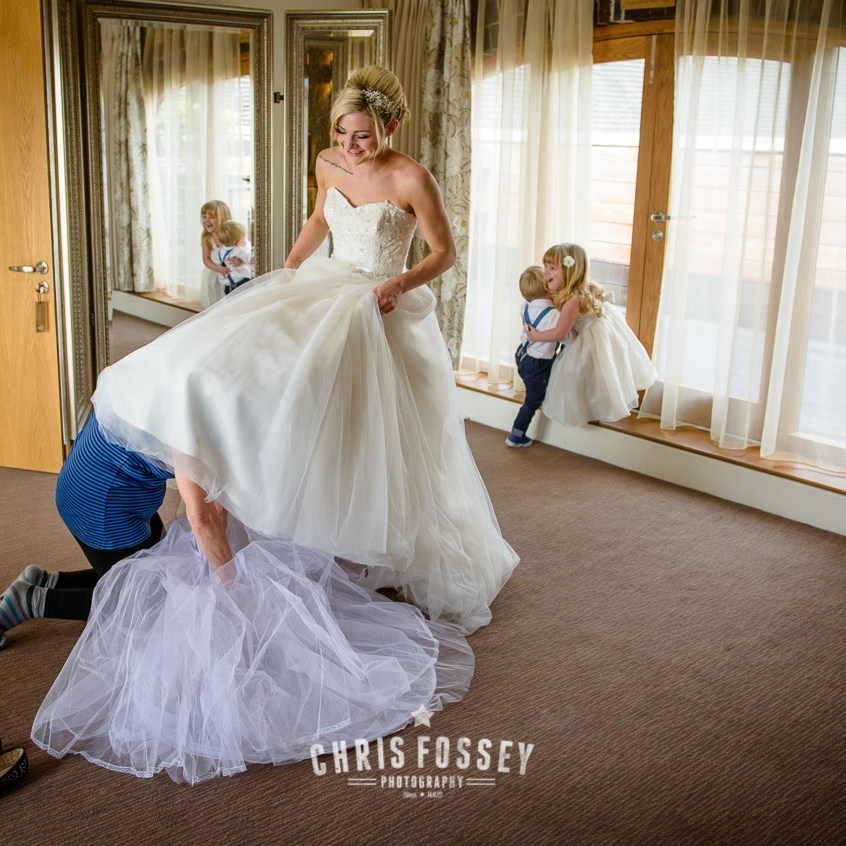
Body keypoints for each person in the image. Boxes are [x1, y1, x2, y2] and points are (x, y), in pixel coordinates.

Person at [31, 66, 514, 783]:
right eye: (341, 135)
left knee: (376, 433)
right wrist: (290, 267)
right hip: (323, 287)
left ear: (390, 127)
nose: (349, 149)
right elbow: (321, 219)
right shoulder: (327, 163)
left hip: (376, 301)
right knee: (280, 395)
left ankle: (369, 541)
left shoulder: (412, 177)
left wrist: (395, 284)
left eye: (363, 136)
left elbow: (445, 252)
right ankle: (304, 522)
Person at [0, 414, 231, 649]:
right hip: (99, 501)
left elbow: (213, 496)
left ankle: (48, 581)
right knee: (148, 607)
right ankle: (30, 601)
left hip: (110, 480)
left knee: (157, 568)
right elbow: (202, 519)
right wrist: (232, 585)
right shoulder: (188, 423)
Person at [526, 243, 655, 427]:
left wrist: (536, 336)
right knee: (593, 372)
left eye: (552, 268)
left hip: (592, 335)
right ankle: (591, 406)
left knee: (580, 371)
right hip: (596, 328)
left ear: (569, 271)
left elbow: (560, 332)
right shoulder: (571, 291)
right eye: (545, 266)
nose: (545, 272)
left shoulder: (573, 299)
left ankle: (592, 407)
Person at [506, 266, 562, 448]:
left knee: (533, 390)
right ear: (548, 288)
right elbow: (564, 336)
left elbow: (525, 323)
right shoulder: (555, 315)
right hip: (538, 363)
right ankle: (516, 436)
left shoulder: (525, 306)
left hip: (522, 355)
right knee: (532, 401)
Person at [199, 200, 231, 308]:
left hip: (229, 273)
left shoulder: (231, 235)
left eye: (211, 217)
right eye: (204, 217)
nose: (207, 220)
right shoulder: (207, 238)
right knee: (214, 299)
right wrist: (218, 268)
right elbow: (206, 259)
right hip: (214, 273)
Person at [211, 220, 254, 295]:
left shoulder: (217, 252)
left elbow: (217, 264)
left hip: (228, 286)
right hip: (243, 282)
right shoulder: (239, 251)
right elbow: (253, 260)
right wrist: (242, 262)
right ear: (238, 242)